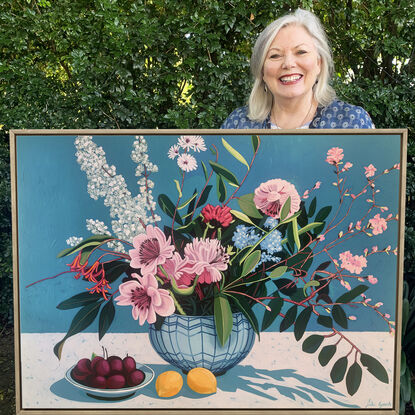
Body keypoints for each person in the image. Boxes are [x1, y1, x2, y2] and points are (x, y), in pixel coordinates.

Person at [221, 9, 374, 129]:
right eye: (275, 55)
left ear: (319, 63)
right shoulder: (237, 124)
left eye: (301, 52)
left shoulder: (352, 122)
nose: (288, 64)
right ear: (261, 70)